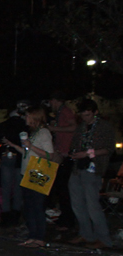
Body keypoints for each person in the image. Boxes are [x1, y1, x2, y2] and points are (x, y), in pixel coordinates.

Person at [3, 106, 54, 248]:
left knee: (37, 206)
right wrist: (13, 145)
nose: (25, 119)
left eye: (27, 116)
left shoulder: (44, 133)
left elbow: (49, 154)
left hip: (38, 173)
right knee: (29, 206)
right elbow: (27, 153)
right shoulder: (33, 132)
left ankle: (39, 237)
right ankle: (32, 236)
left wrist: (31, 146)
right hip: (27, 172)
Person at [67, 99, 115, 249]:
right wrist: (74, 153)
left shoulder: (104, 127)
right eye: (83, 115)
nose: (85, 118)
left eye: (88, 115)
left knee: (92, 205)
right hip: (78, 168)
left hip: (93, 168)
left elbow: (108, 148)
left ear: (95, 112)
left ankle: (104, 238)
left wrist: (88, 153)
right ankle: (86, 234)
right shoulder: (81, 127)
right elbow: (74, 144)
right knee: (77, 203)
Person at [0, 103, 28, 228]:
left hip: (7, 158)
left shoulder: (3, 126)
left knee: (6, 188)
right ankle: (15, 215)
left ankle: (5, 215)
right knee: (18, 188)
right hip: (20, 159)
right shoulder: (24, 126)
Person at [46, 91, 77, 230]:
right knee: (60, 189)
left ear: (54, 100)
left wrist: (54, 128)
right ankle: (64, 218)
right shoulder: (59, 113)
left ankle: (68, 221)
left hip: (66, 155)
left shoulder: (65, 111)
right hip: (60, 153)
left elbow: (73, 127)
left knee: (64, 190)